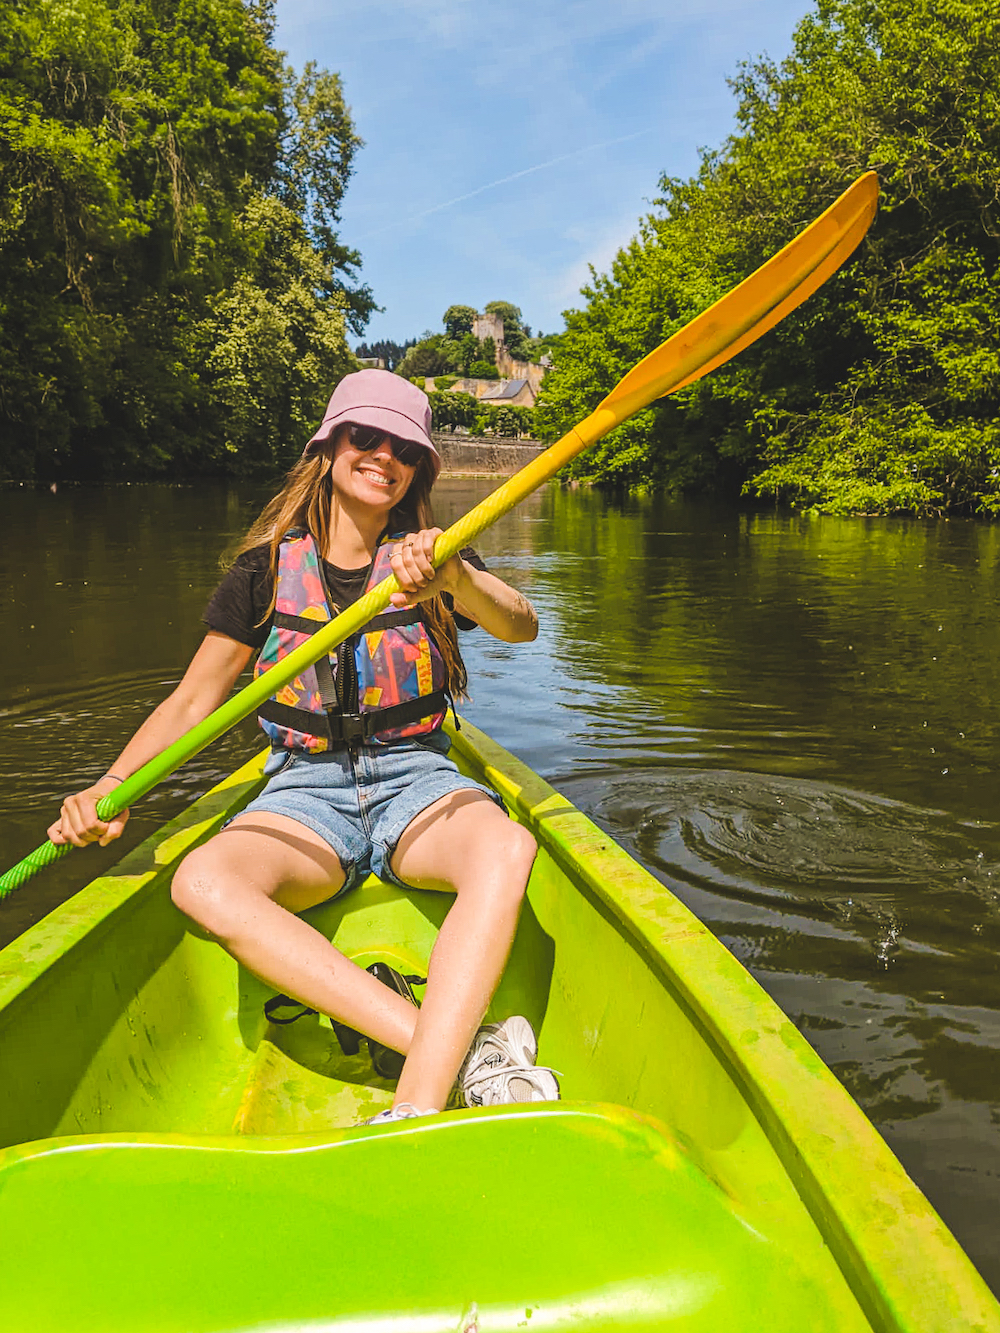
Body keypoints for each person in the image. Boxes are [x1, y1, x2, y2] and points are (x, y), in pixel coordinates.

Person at [49, 370, 559, 1124]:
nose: (383, 455)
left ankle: (415, 1103)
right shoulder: (262, 573)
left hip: (415, 778)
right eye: (366, 436)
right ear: (329, 445)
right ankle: (460, 1051)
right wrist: (112, 785)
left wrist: (455, 578)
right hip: (304, 791)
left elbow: (522, 624)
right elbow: (193, 700)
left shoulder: (433, 555)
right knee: (201, 883)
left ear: (419, 467)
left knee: (506, 848)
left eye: (404, 447)